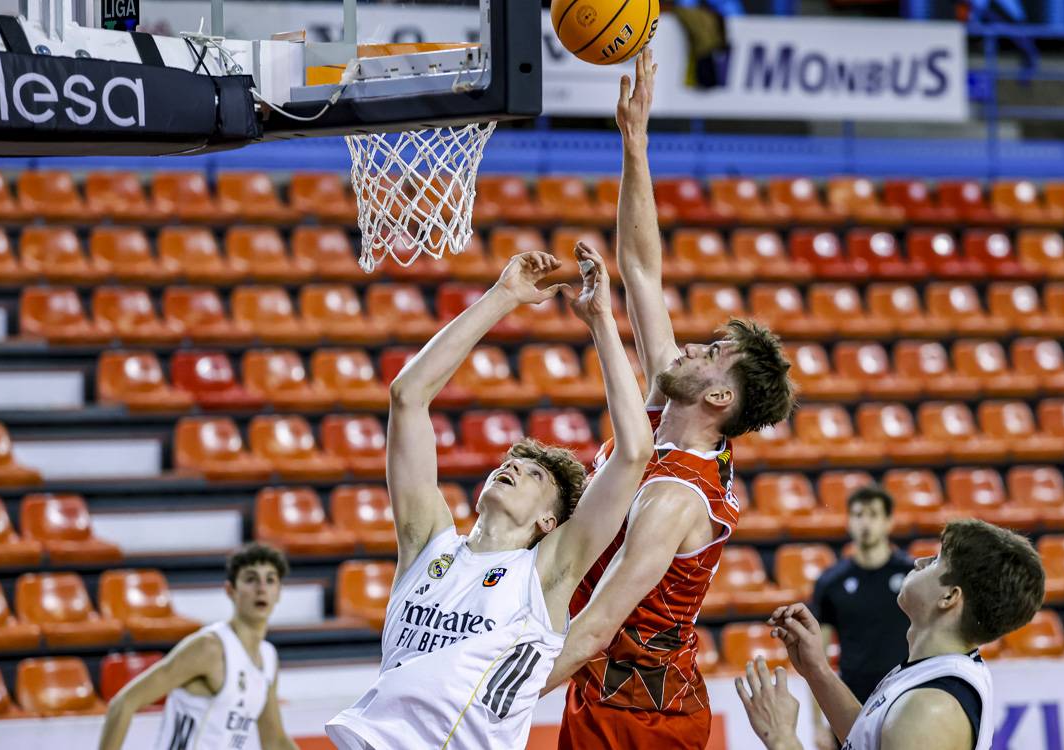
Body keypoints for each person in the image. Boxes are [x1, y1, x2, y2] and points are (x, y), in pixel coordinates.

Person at [545, 48, 797, 750]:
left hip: (640, 715)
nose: (691, 347)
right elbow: (642, 272)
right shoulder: (670, 409)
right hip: (608, 690)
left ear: (719, 395)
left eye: (714, 353)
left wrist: (487, 696)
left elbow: (597, 623)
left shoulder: (676, 497)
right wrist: (635, 143)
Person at [324, 245, 655, 750]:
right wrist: (503, 297)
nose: (513, 466)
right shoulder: (426, 545)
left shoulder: (546, 574)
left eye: (534, 475)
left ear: (549, 521)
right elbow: (406, 396)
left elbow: (634, 453)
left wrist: (601, 323)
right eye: (511, 462)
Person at [735, 518, 1046, 750]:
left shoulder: (932, 709)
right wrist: (818, 672)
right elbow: (871, 738)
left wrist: (783, 739)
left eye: (936, 561)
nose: (919, 561)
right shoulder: (936, 672)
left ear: (949, 597)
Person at [98, 542, 297, 750]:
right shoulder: (209, 647)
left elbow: (274, 740)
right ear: (230, 590)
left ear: (279, 592)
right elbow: (123, 704)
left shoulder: (268, 657)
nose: (261, 588)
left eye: (270, 580)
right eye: (250, 579)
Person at [810, 484, 913, 748]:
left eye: (873, 514)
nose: (865, 523)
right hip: (852, 703)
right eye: (858, 515)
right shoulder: (831, 582)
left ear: (888, 522)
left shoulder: (913, 576)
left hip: (904, 696)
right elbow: (816, 657)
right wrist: (817, 724)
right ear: (849, 522)